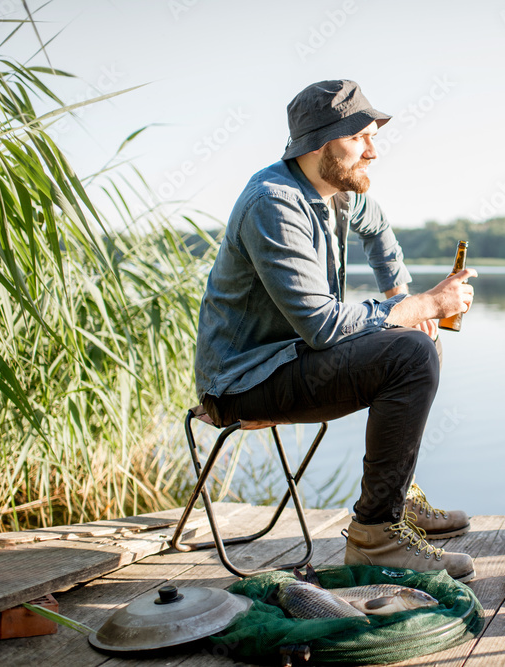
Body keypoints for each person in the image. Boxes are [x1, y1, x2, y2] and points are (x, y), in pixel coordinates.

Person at [194, 80, 477, 581]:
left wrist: (401, 295)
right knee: (409, 352)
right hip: (245, 383)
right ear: (320, 144)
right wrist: (424, 303)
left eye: (374, 135)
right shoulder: (274, 203)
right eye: (360, 137)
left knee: (417, 341)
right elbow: (323, 325)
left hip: (292, 359)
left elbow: (381, 228)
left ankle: (394, 502)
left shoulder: (339, 192)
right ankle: (374, 539)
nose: (373, 150)